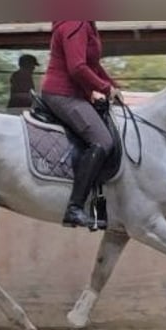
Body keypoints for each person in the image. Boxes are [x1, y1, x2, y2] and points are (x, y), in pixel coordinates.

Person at [40, 21, 123, 228]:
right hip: (62, 94)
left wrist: (113, 87)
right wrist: (105, 88)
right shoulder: (75, 23)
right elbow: (77, 68)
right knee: (103, 140)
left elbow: (93, 66)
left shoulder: (86, 23)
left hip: (76, 94)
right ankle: (74, 208)